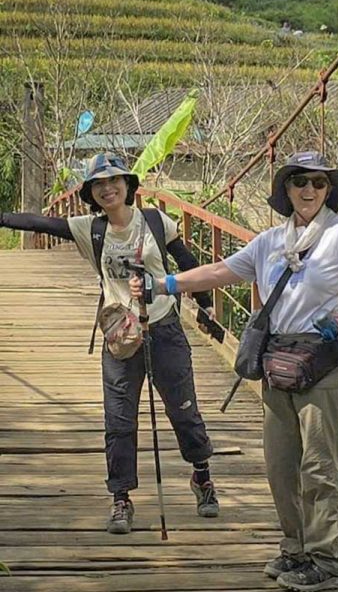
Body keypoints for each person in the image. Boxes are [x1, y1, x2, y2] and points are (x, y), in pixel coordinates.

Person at [130, 150, 338, 591]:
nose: (310, 191)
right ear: (287, 190)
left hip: (323, 366)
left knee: (319, 469)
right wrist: (165, 282)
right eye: (301, 182)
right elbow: (222, 270)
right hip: (278, 364)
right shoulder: (270, 241)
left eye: (319, 183)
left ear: (329, 191)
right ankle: (295, 548)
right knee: (281, 468)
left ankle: (327, 562)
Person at [0, 152, 220, 534]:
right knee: (119, 420)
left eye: (114, 181)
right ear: (90, 193)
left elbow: (186, 263)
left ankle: (201, 476)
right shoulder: (90, 229)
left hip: (165, 328)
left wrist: (206, 307)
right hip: (121, 336)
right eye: (98, 184)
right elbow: (41, 222)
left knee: (183, 410)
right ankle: (121, 498)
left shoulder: (154, 221)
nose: (107, 188)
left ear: (128, 186)